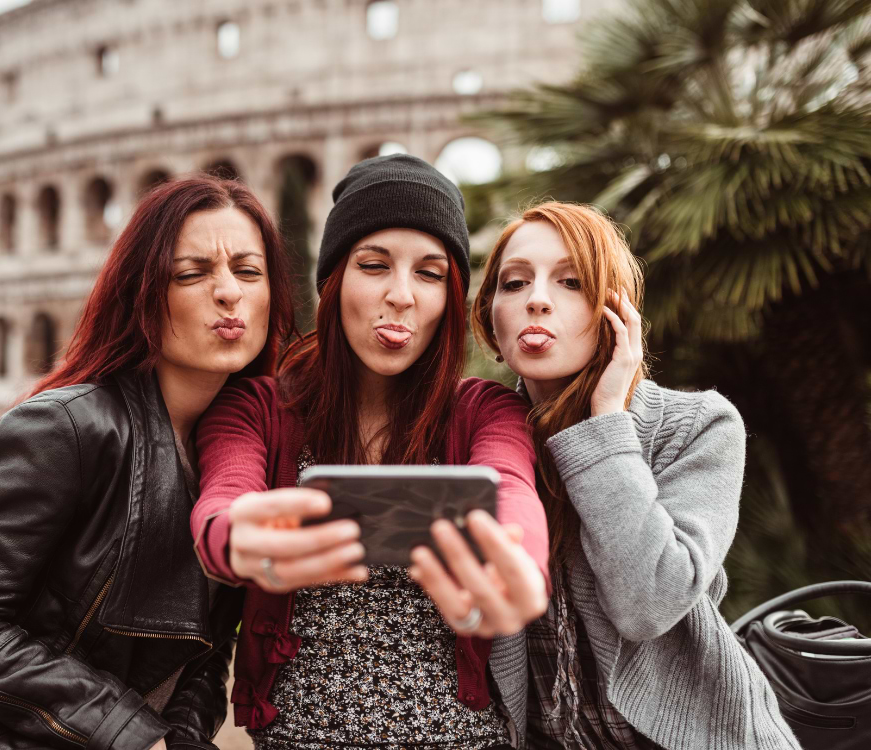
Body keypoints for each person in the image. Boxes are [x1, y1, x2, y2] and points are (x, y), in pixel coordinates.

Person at [0, 174, 296, 750]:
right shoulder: (69, 426)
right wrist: (133, 737)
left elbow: (205, 651)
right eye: (192, 272)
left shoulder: (243, 453)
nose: (229, 293)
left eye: (248, 272)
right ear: (144, 293)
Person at [190, 154, 550, 750]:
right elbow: (224, 498)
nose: (402, 296)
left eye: (431, 274)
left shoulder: (485, 409)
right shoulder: (255, 408)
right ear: (332, 280)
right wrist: (234, 537)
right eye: (374, 265)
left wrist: (518, 564)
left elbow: (510, 487)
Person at [414, 201, 800, 749]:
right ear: (490, 317)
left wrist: (607, 424)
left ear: (615, 310)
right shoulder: (483, 439)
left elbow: (649, 602)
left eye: (570, 282)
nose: (537, 301)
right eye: (514, 283)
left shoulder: (700, 427)